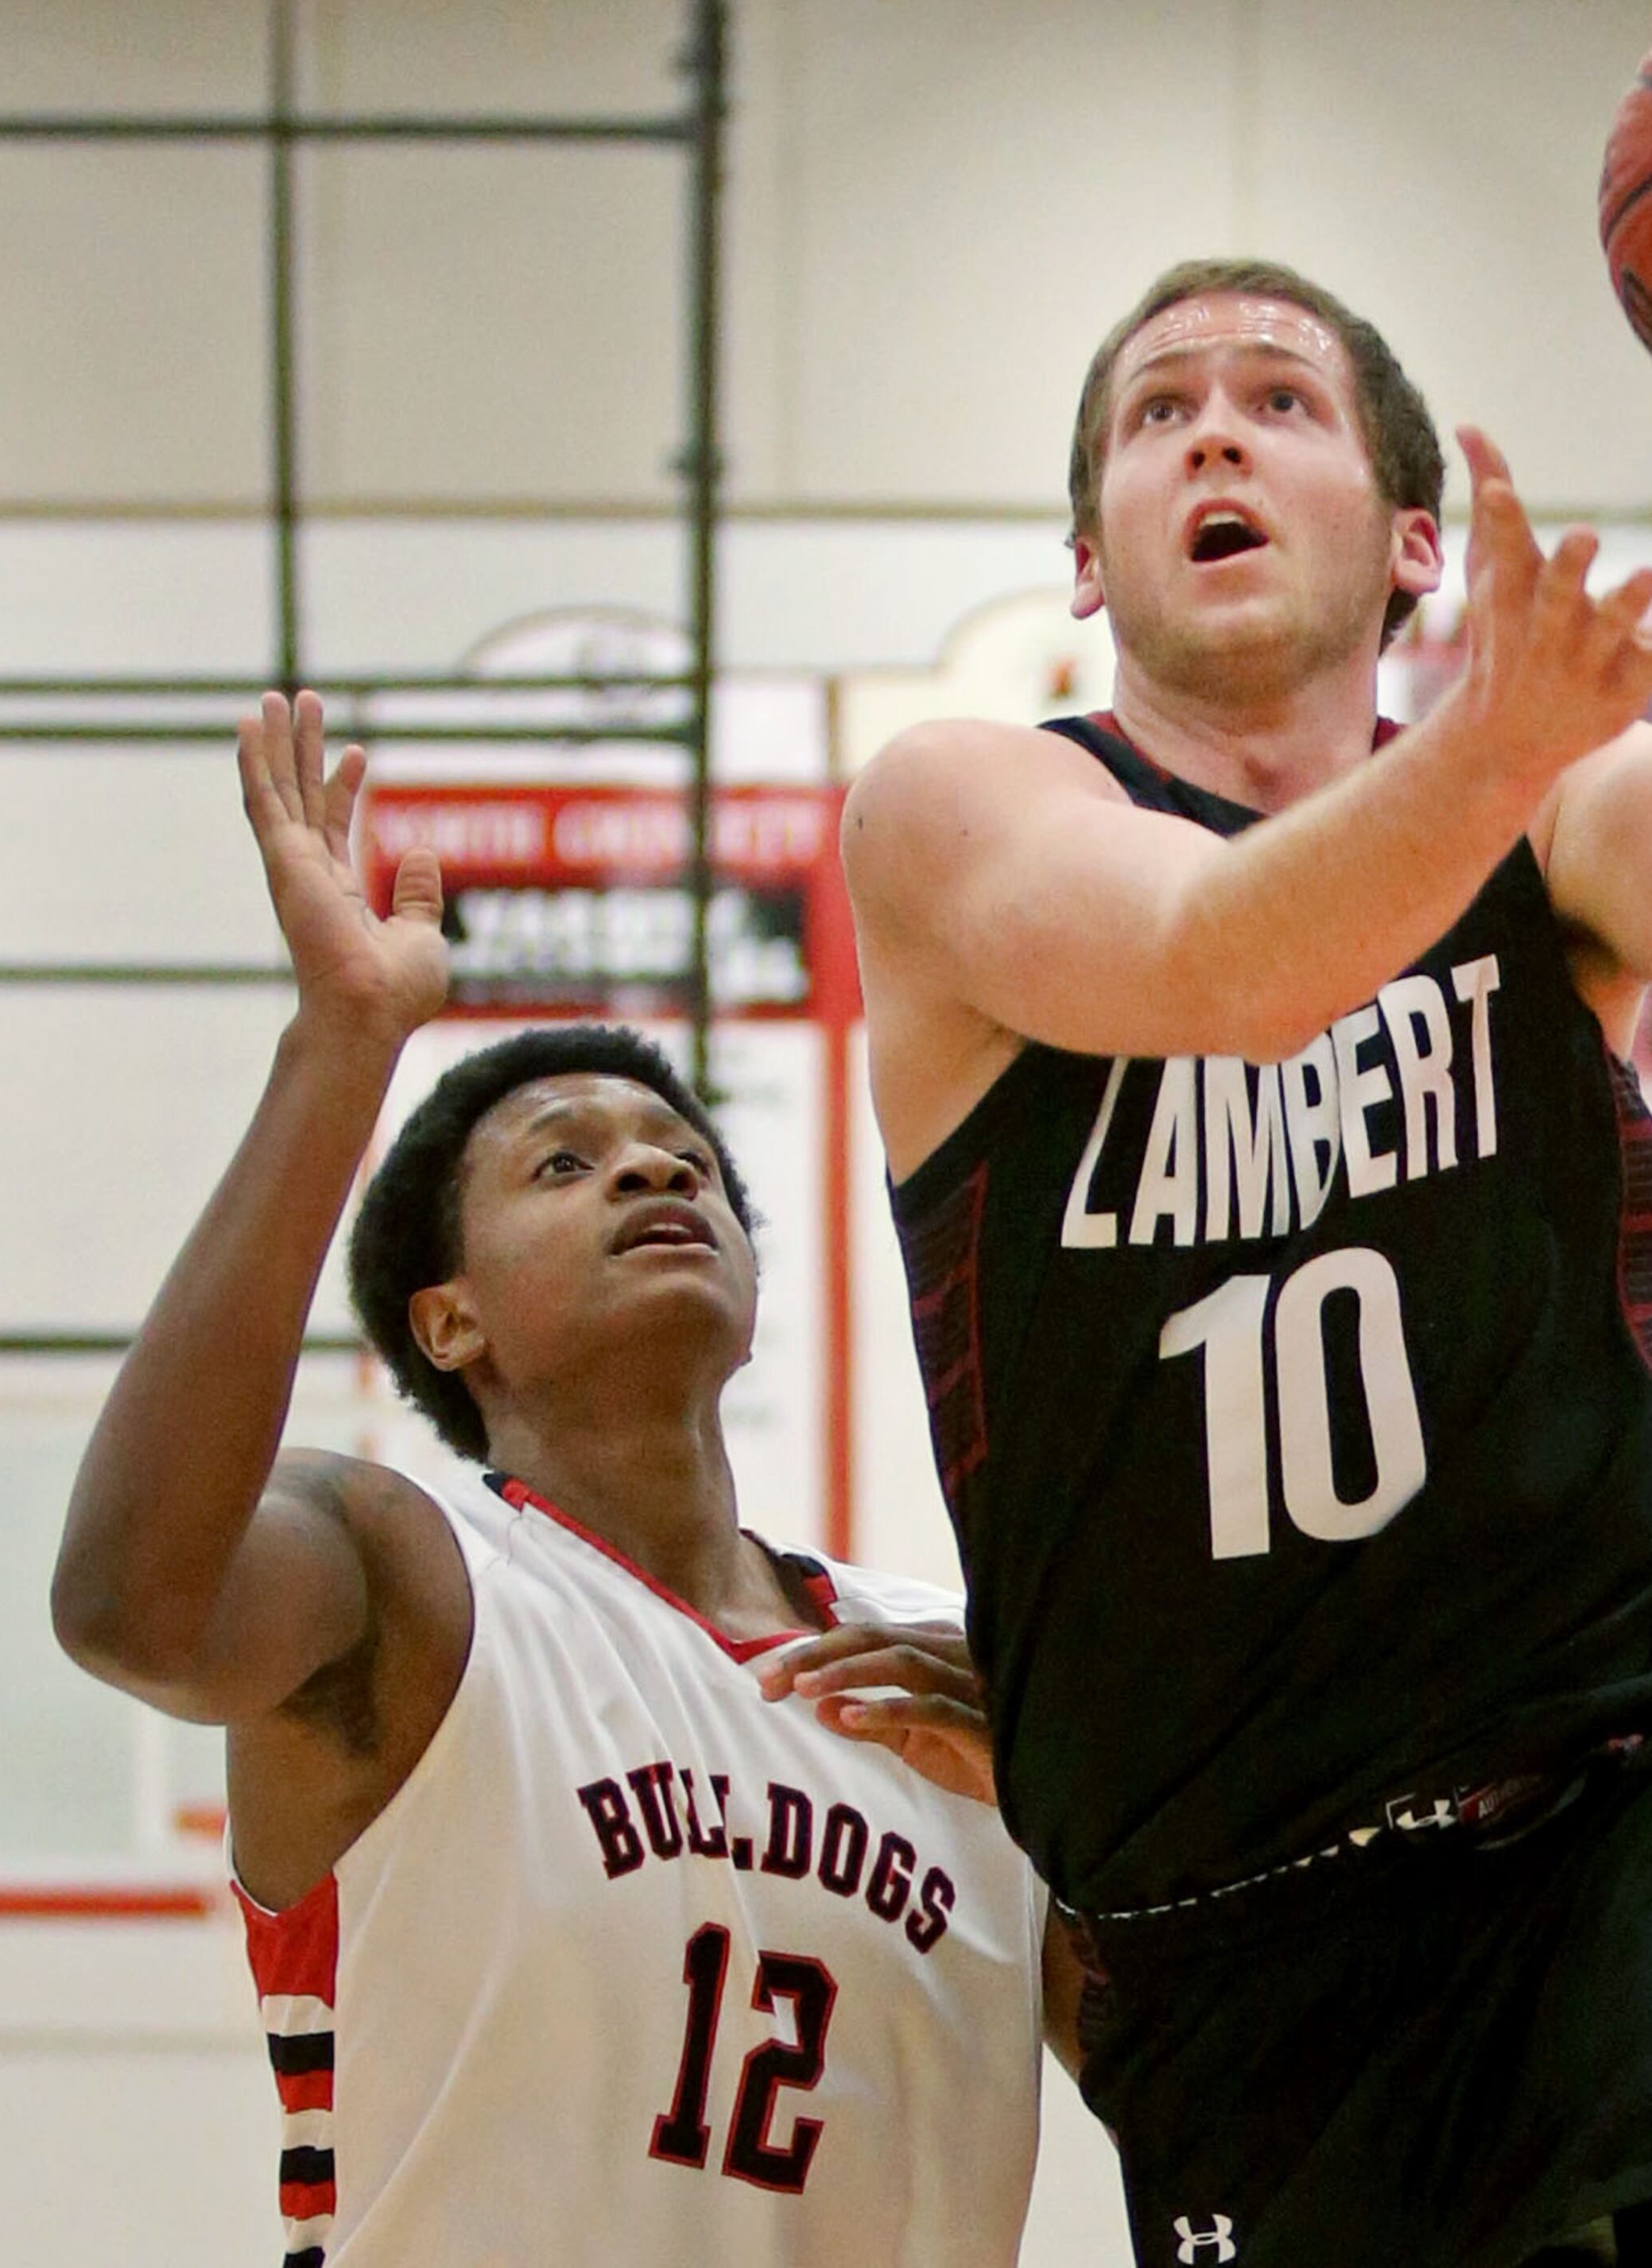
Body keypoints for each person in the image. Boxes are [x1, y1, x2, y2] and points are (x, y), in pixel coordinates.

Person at [840, 241, 1652, 2266]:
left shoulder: (1541, 821)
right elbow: (1216, 958)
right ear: (1088, 559)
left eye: (1277, 399)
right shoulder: (959, 808)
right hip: (1236, 1931)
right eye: (1156, 416)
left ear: (1412, 537)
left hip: (1622, 1809)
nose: (1213, 433)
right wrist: (1489, 746)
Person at [52, 692, 1055, 2268]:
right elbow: (132, 1605)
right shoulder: (410, 1576)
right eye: (564, 1161)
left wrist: (1097, 1814)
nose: (655, 1169)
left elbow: (1201, 2083)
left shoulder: (954, 1666)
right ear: (448, 1316)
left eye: (683, 1156)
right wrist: (344, 1043)